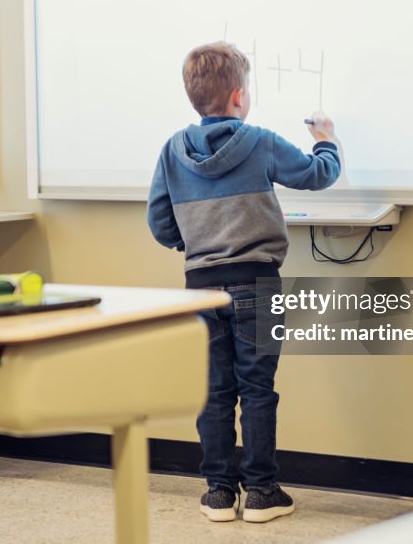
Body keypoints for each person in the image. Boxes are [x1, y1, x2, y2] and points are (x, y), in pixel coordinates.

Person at [146, 41, 342, 524]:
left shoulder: (173, 150)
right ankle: (261, 492)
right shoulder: (260, 141)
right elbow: (319, 174)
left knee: (213, 390)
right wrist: (327, 140)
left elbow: (160, 223)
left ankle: (218, 493)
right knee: (257, 388)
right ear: (238, 97)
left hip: (201, 285)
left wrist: (193, 244)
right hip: (257, 280)